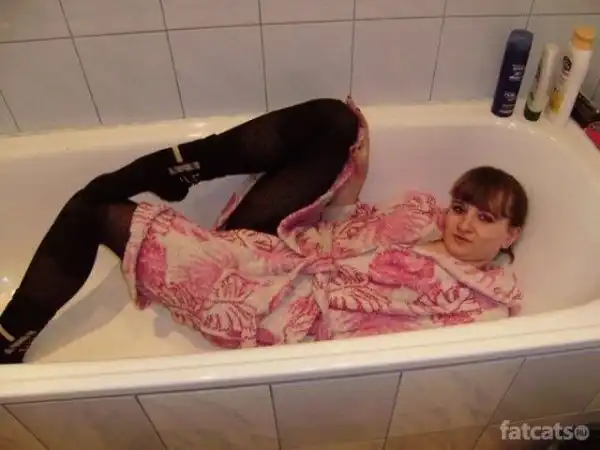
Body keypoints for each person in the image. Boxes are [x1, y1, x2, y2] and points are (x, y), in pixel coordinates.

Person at [0, 97, 529, 364]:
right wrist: (356, 178)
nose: (464, 223)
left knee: (94, 209)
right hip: (282, 244)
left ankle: (7, 342)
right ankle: (184, 166)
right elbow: (344, 228)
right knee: (336, 121)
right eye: (461, 207)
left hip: (264, 298)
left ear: (511, 235)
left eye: (485, 219)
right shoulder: (419, 213)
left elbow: (378, 348)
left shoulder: (476, 300)